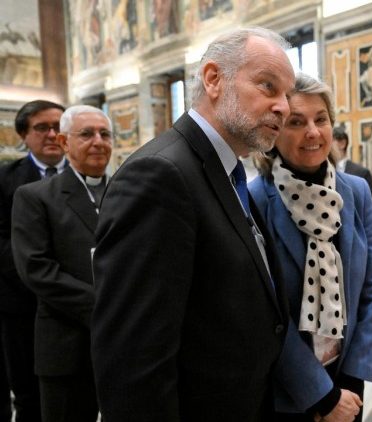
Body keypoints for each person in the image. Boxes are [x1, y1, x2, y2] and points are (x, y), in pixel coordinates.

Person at [91, 27, 295, 421]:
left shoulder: (227, 170)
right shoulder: (160, 174)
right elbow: (133, 358)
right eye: (268, 86)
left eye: (287, 94)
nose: (283, 107)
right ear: (214, 79)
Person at [249, 73, 372, 422]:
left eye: (321, 119)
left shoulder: (356, 191)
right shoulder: (255, 199)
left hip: (347, 378)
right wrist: (321, 395)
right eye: (296, 122)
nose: (313, 132)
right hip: (288, 389)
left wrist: (352, 377)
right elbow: (265, 315)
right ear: (274, 132)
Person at [11, 105, 112, 422]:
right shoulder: (36, 196)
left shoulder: (129, 192)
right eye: (87, 134)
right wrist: (106, 307)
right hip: (67, 344)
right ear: (65, 142)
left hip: (123, 344)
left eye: (105, 134)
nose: (98, 141)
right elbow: (36, 269)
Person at [0, 99, 66, 422]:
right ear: (24, 135)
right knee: (29, 395)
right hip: (21, 303)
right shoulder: (5, 179)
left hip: (77, 302)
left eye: (58, 127)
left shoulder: (91, 175)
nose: (52, 135)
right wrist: (38, 272)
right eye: (42, 128)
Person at [332, 128, 372, 197]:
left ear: (342, 144)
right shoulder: (321, 169)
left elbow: (369, 202)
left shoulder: (362, 173)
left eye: (330, 141)